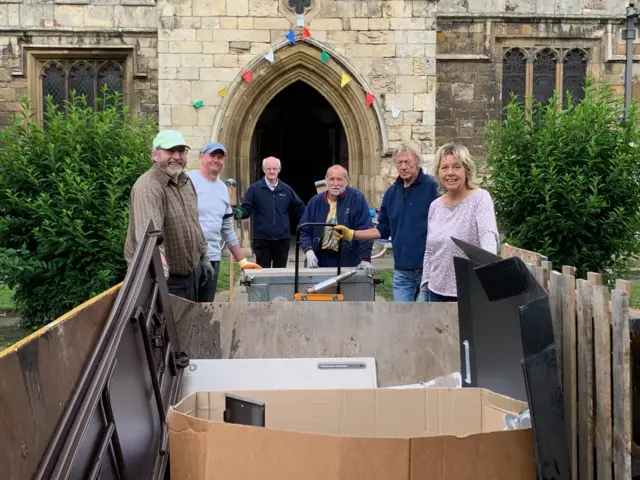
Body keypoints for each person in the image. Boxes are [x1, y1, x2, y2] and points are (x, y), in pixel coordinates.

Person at [332, 143, 439, 300]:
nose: (403, 167)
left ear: (417, 162)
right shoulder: (391, 193)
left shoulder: (433, 187)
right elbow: (382, 229)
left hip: (429, 269)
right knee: (400, 318)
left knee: (427, 319)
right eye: (399, 162)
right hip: (402, 269)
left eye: (407, 162)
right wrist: (352, 234)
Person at [124, 130, 214, 302]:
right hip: (165, 282)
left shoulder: (185, 182)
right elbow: (150, 237)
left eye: (181, 151)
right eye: (170, 151)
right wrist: (161, 271)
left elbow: (194, 224)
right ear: (154, 155)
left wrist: (203, 256)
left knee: (190, 327)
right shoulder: (148, 187)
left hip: (190, 278)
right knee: (170, 329)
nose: (176, 156)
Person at [417, 142, 499, 302]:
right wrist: (424, 288)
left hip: (467, 294)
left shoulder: (480, 199)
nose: (450, 173)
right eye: (444, 167)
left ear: (467, 170)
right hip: (435, 292)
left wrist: (488, 272)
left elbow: (488, 235)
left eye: (456, 167)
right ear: (438, 172)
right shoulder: (435, 206)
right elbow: (429, 250)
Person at [188, 141, 261, 302]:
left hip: (213, 257)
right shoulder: (188, 181)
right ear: (202, 157)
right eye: (212, 155)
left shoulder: (222, 188)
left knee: (206, 307)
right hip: (189, 258)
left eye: (220, 157)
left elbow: (227, 229)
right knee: (186, 308)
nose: (216, 160)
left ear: (224, 162)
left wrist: (242, 261)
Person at [299, 165, 375, 275]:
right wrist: (309, 251)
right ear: (326, 181)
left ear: (347, 181)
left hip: (349, 258)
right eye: (332, 179)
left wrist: (365, 259)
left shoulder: (356, 198)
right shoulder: (315, 202)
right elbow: (304, 230)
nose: (335, 183)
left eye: (339, 179)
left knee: (346, 291)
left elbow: (366, 228)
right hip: (320, 258)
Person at [233, 156, 306, 268]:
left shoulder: (286, 189)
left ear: (279, 169)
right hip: (262, 239)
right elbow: (246, 208)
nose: (271, 171)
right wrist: (239, 213)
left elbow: (299, 208)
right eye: (268, 169)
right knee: (262, 273)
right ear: (263, 169)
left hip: (282, 240)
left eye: (274, 168)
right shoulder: (254, 189)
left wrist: (312, 216)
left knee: (279, 275)